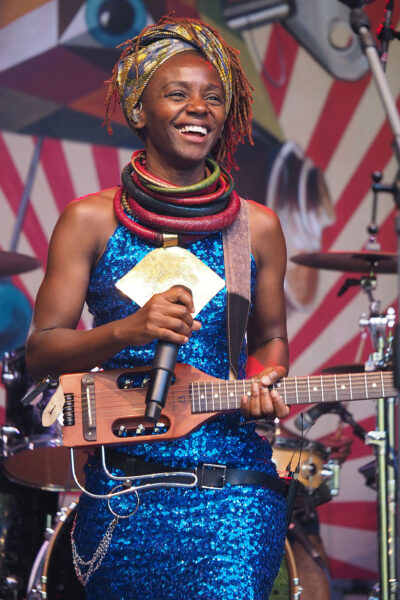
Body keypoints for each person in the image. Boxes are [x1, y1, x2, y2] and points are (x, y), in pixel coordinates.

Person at [26, 15, 290, 600]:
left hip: (234, 488)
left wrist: (264, 378)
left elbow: (270, 337)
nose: (199, 108)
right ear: (138, 109)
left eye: (213, 97)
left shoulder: (257, 228)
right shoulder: (90, 220)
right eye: (178, 93)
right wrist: (128, 330)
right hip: (122, 489)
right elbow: (41, 349)